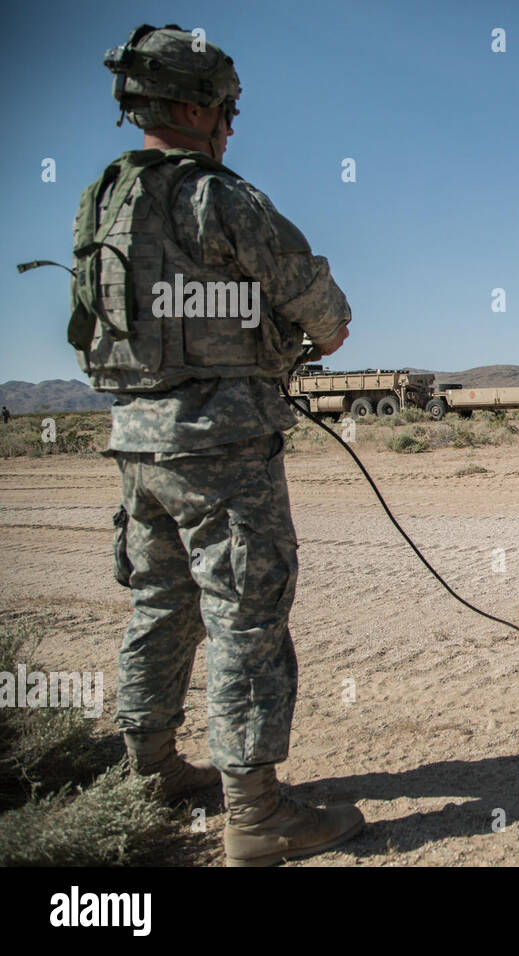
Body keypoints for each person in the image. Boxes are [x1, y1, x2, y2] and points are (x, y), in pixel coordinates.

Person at [76, 24, 362, 865]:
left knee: (159, 603)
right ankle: (258, 817)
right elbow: (328, 315)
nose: (232, 127)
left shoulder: (101, 201)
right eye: (228, 111)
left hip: (136, 445)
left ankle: (149, 774)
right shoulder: (215, 196)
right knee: (245, 615)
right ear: (198, 107)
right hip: (221, 446)